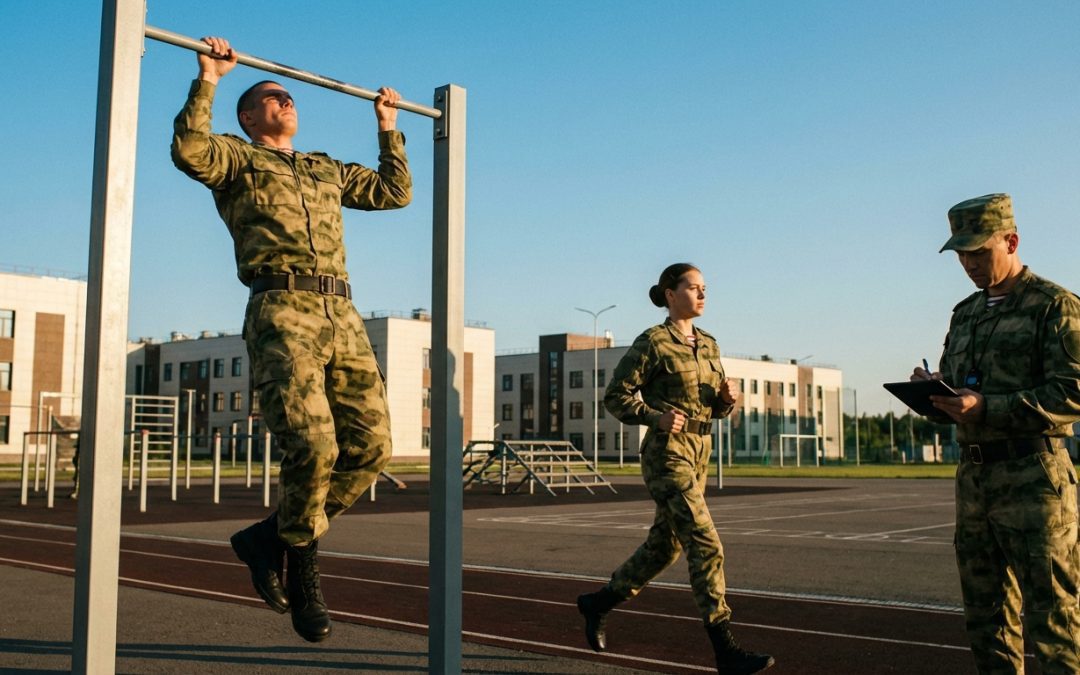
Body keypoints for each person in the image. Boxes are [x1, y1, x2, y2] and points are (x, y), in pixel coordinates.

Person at [171, 37, 412, 643]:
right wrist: (211, 79)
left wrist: (387, 127)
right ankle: (303, 566)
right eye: (273, 96)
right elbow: (190, 150)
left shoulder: (323, 166)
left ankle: (267, 538)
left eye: (290, 96)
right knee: (314, 445)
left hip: (343, 313)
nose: (287, 100)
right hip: (282, 308)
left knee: (373, 446)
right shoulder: (238, 160)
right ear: (251, 117)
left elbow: (393, 192)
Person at [577, 263, 774, 674]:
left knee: (665, 547)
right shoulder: (653, 342)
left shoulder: (710, 344)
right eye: (693, 287)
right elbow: (616, 397)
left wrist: (726, 399)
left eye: (705, 288)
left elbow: (716, 411)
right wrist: (654, 416)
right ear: (670, 294)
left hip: (699, 450)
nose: (702, 294)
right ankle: (725, 650)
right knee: (706, 543)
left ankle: (598, 603)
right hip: (667, 454)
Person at [912, 193, 1080, 672]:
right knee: (986, 621)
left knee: (1054, 621)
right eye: (962, 254)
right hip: (976, 482)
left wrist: (988, 407)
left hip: (1035, 480)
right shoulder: (965, 314)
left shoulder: (1054, 306)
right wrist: (934, 396)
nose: (968, 263)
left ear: (1012, 240)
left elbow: (1072, 392)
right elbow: (960, 395)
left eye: (979, 252)